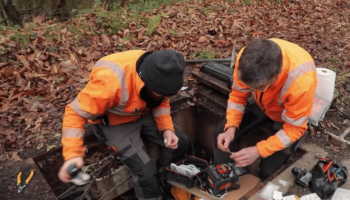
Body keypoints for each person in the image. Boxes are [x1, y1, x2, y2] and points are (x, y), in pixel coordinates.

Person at [58, 49, 189, 200]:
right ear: (147, 82)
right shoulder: (109, 82)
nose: (165, 97)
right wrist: (72, 154)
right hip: (114, 122)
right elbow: (75, 113)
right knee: (145, 171)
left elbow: (161, 101)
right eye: (161, 93)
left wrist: (166, 129)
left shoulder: (161, 70)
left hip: (143, 111)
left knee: (181, 143)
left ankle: (167, 180)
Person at [214, 38, 317, 180]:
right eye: (249, 87)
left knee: (268, 171)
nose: (250, 90)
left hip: (287, 116)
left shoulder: (301, 84)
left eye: (259, 87)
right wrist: (231, 126)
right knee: (220, 132)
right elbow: (238, 95)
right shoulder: (246, 60)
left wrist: (258, 150)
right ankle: (224, 177)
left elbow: (294, 129)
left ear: (277, 73)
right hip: (262, 102)